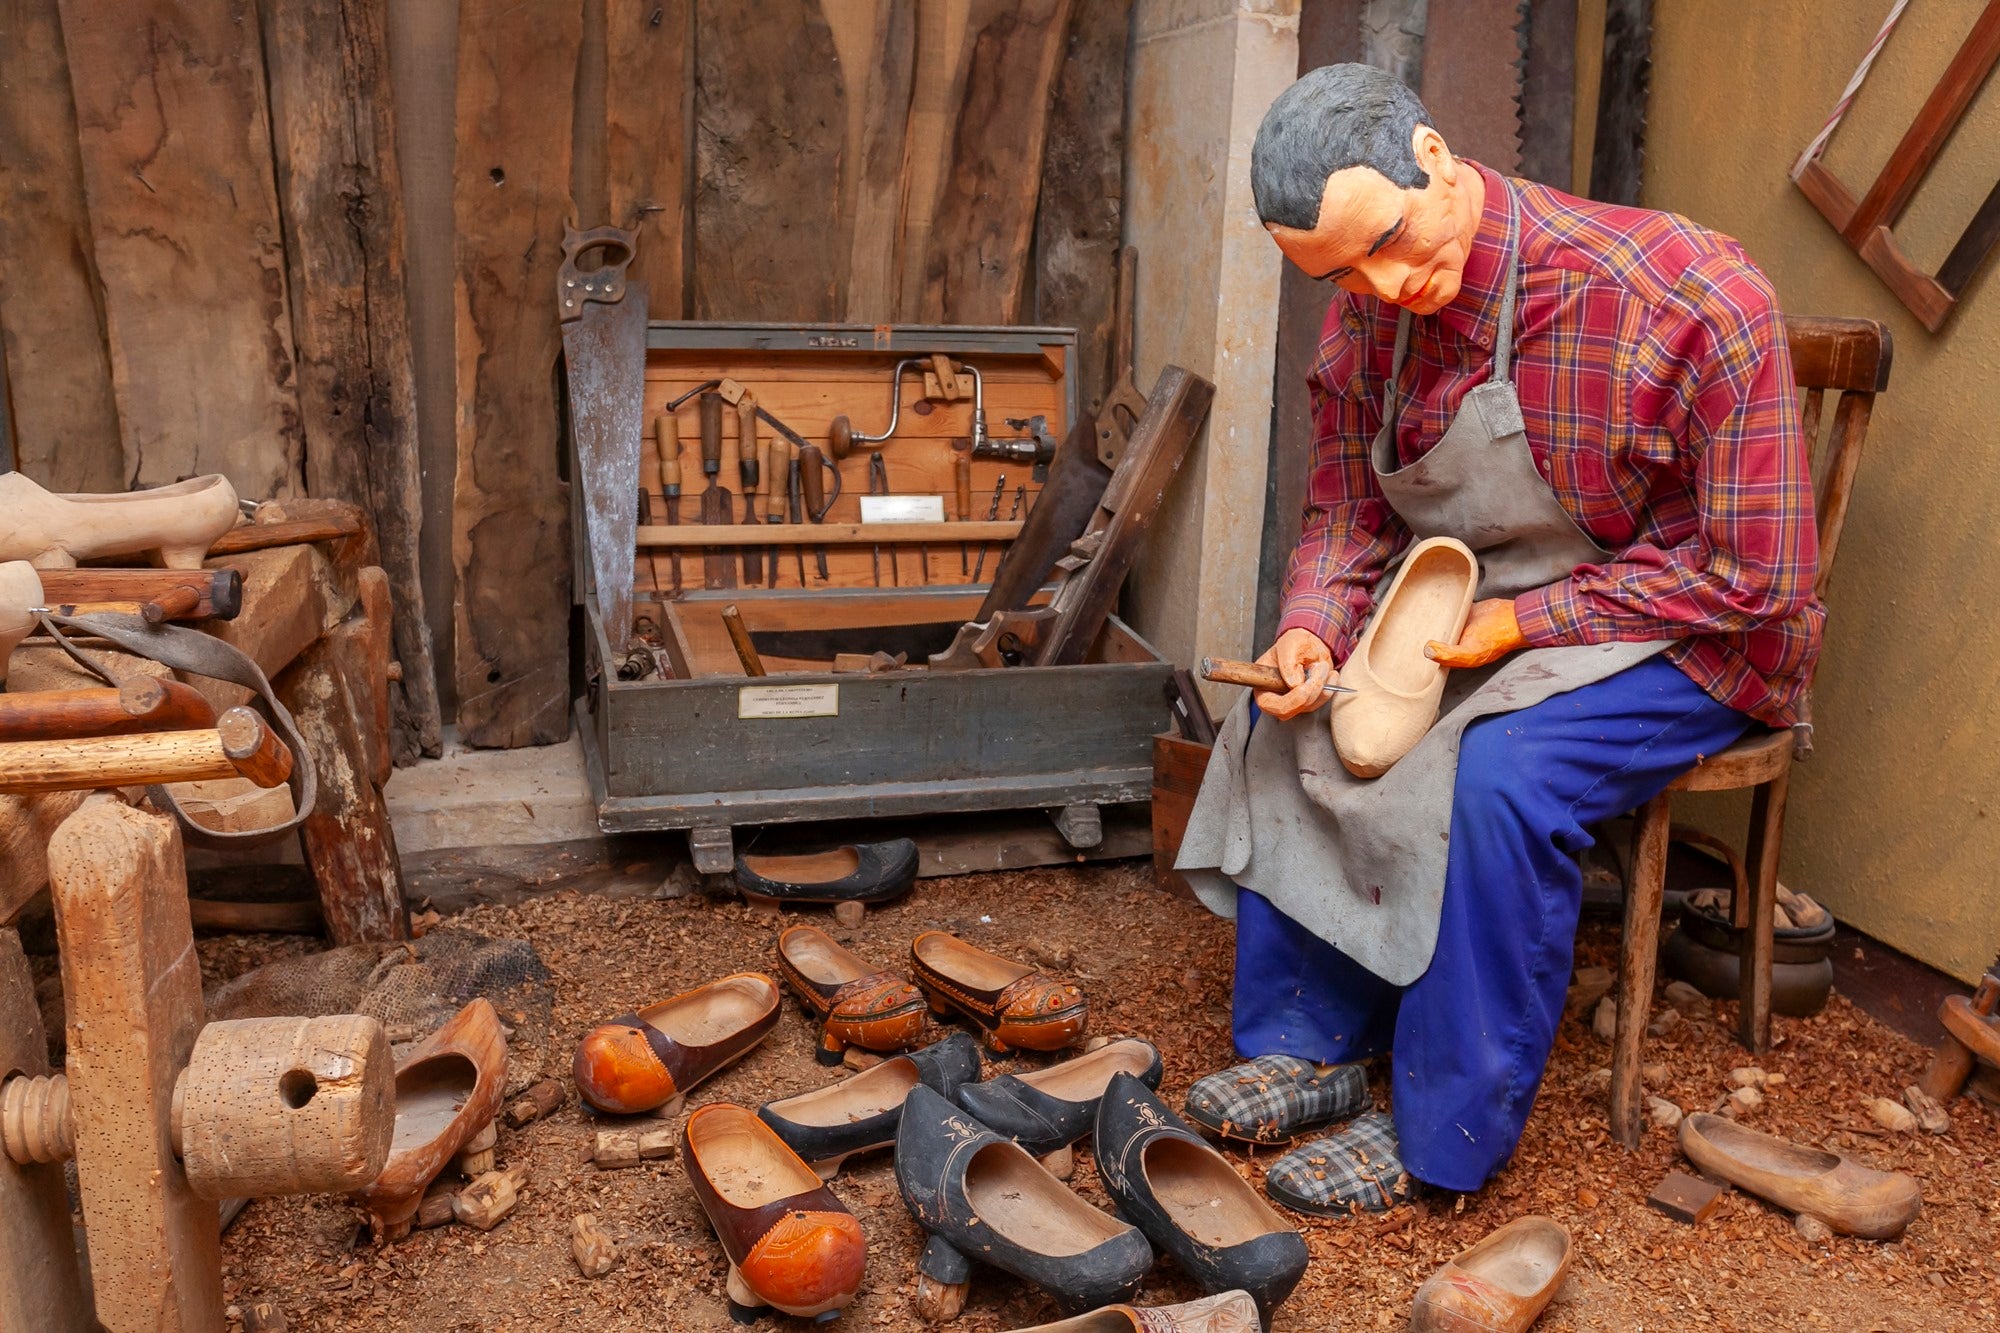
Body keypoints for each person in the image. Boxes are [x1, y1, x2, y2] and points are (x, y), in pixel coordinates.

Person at [1173, 63, 1820, 1214]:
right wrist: (1314, 625)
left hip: (1691, 628)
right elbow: (1345, 510)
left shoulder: (1685, 294)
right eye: (1340, 273)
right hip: (1478, 592)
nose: (1380, 286)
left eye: (1385, 242)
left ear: (1431, 155)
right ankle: (1307, 1038)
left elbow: (1756, 575)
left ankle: (1440, 1126)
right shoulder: (1371, 308)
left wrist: (1528, 621)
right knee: (1295, 715)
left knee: (1497, 774)